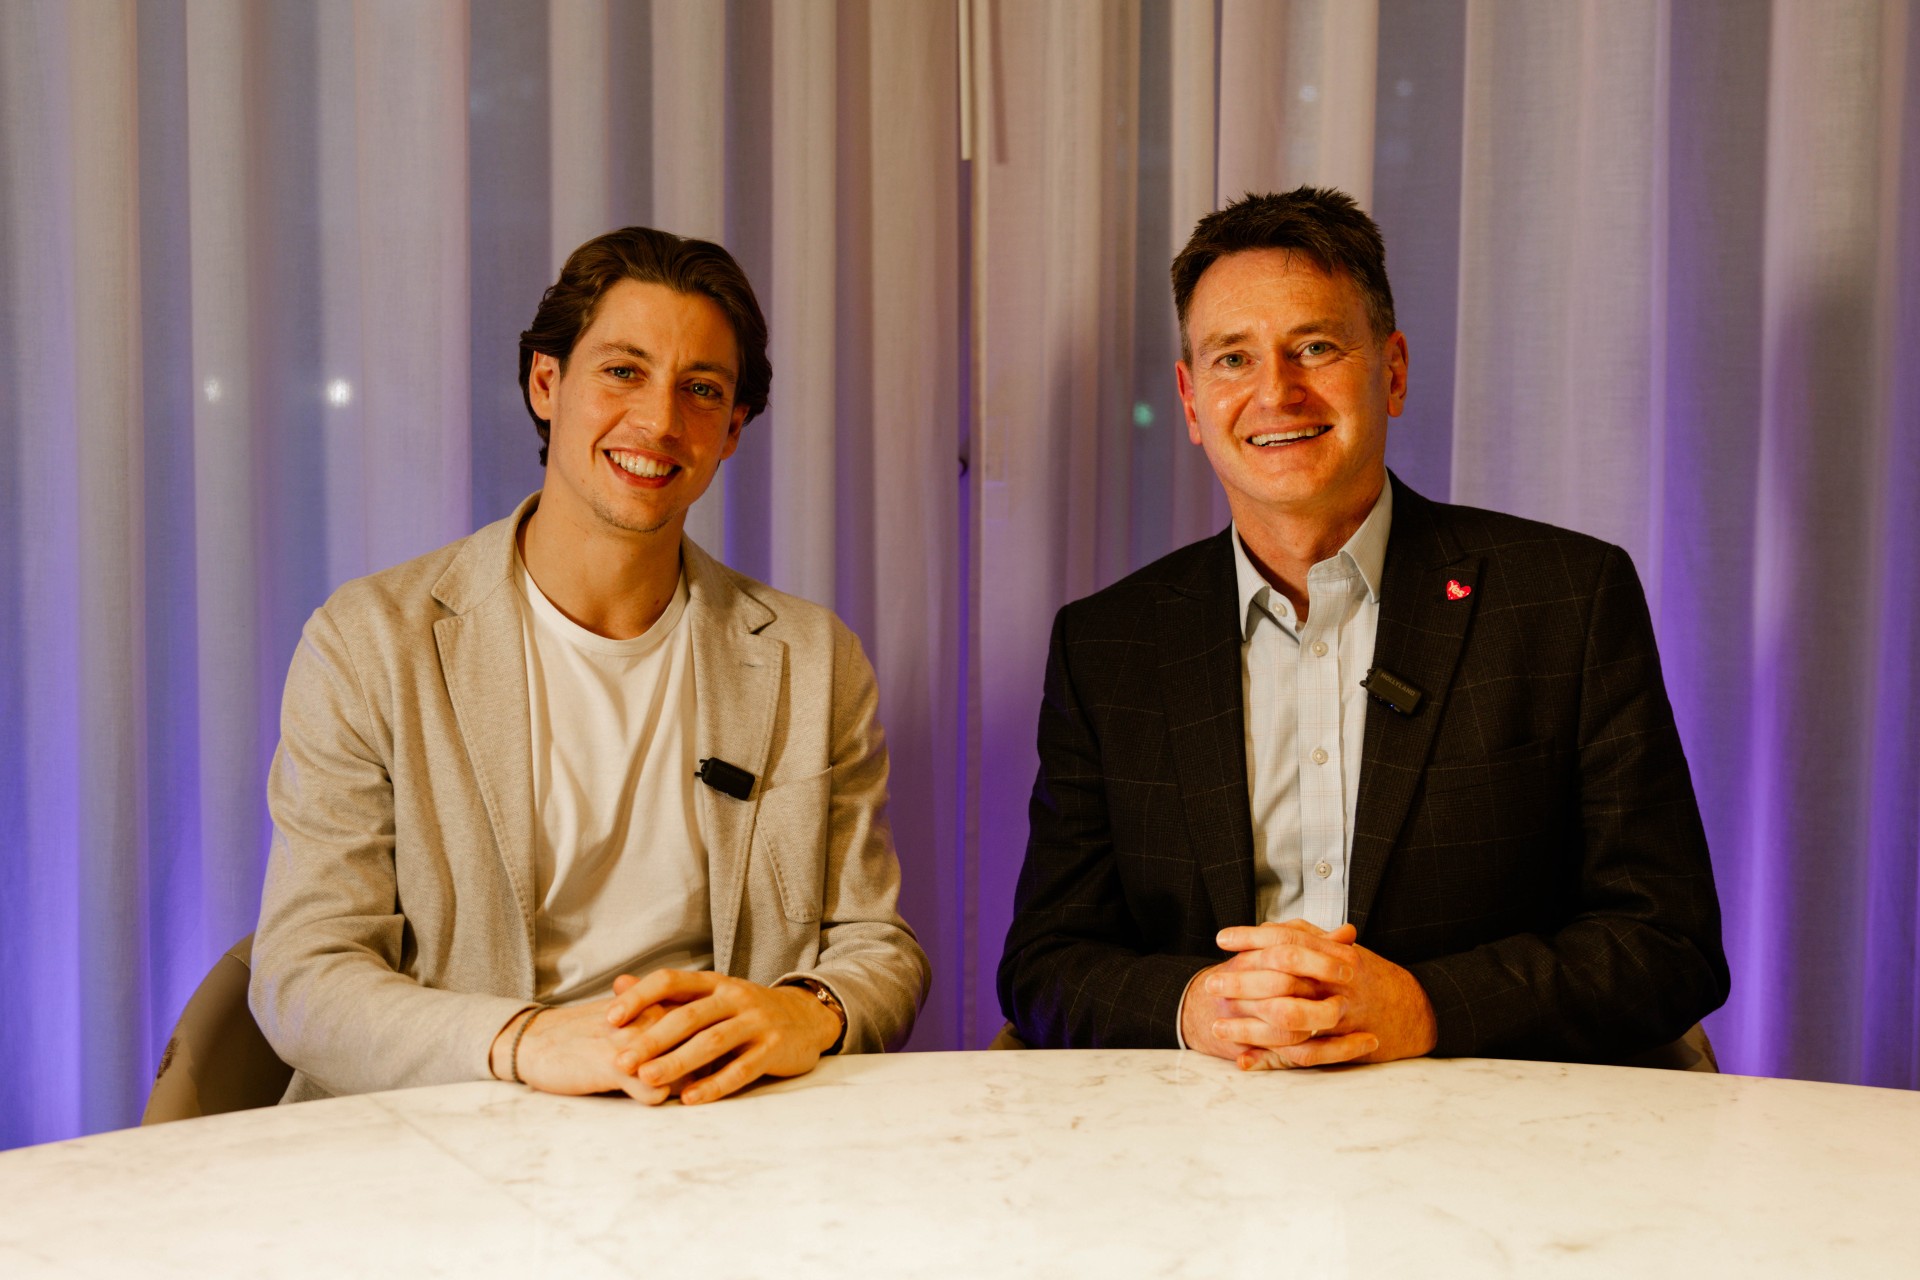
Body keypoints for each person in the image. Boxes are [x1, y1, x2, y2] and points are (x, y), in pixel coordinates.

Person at [997, 188, 1728, 1069]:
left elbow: (1667, 942)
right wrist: (1197, 1006)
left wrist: (1425, 1007)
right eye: (1233, 359)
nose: (1277, 391)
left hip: (1495, 1135)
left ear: (1392, 370)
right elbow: (1045, 963)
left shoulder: (1566, 599)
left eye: (1315, 347)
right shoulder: (1106, 645)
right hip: (1196, 1141)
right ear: (1191, 402)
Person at [251, 227, 928, 1107]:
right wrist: (526, 1042)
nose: (657, 421)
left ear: (732, 430)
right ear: (546, 382)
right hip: (437, 1140)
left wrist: (806, 1011)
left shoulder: (812, 659)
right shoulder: (370, 641)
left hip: (715, 1138)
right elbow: (303, 976)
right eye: (622, 371)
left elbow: (878, 947)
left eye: (701, 390)